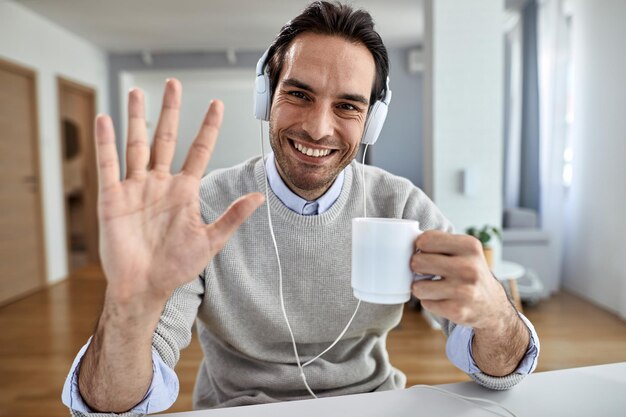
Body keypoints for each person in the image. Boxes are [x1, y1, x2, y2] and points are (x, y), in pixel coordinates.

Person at [62, 2, 539, 416]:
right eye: (298, 94)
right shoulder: (202, 207)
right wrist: (127, 308)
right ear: (266, 96)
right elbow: (110, 408)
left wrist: (495, 314)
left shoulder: (401, 204)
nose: (318, 128)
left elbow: (501, 374)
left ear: (371, 122)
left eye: (348, 106)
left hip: (371, 405)